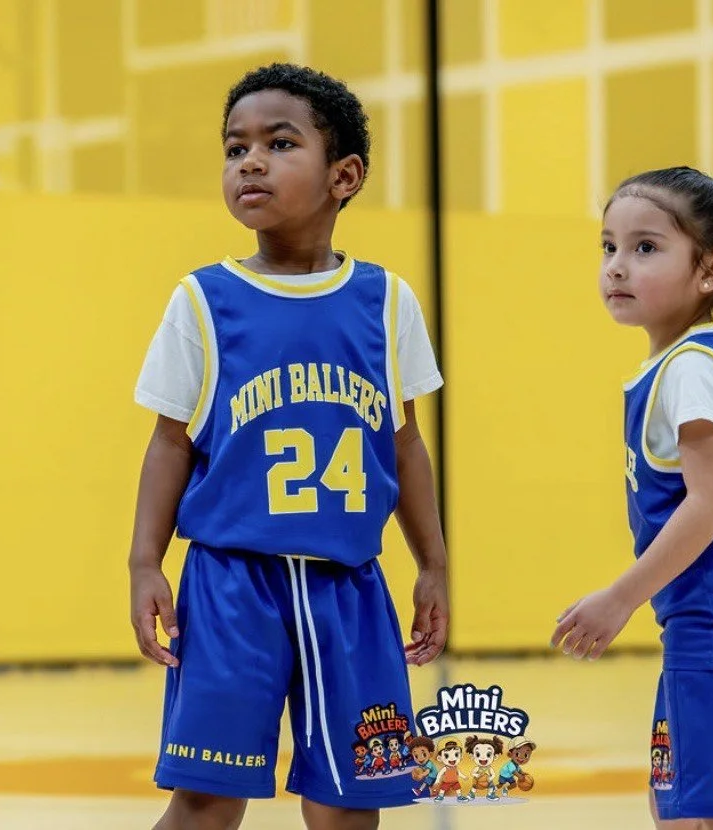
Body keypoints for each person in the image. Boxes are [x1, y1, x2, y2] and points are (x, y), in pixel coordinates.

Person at [128, 62, 449, 830]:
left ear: (345, 175)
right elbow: (169, 444)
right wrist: (145, 561)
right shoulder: (203, 301)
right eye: (234, 148)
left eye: (278, 143)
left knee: (348, 806)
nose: (250, 162)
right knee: (207, 802)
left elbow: (404, 444)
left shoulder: (386, 302)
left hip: (351, 591)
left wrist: (433, 563)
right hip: (231, 586)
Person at [550, 167, 713, 829]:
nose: (617, 266)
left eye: (645, 248)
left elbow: (710, 505)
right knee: (680, 805)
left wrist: (618, 598)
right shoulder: (678, 365)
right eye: (609, 246)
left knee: (711, 813)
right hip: (707, 618)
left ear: (712, 269)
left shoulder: (691, 370)